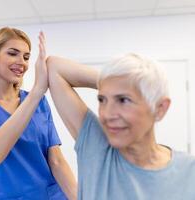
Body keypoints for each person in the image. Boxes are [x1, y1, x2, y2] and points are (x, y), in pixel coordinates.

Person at [47, 53, 195, 199]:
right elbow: (55, 67)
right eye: (102, 99)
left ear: (159, 108)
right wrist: (110, 82)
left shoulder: (189, 172)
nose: (107, 114)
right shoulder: (97, 148)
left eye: (123, 100)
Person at [0, 27, 77, 200]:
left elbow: (56, 161)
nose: (22, 62)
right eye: (13, 53)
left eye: (26, 57)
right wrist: (36, 92)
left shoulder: (39, 102)